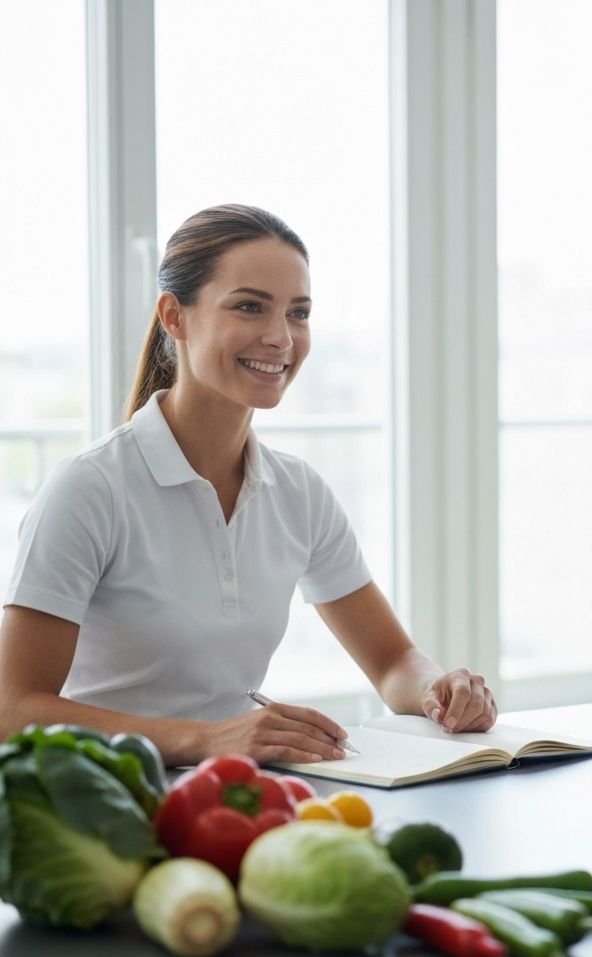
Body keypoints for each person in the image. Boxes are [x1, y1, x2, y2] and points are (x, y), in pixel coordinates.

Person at [0, 204, 496, 766]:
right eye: (249, 307)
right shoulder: (91, 488)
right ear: (174, 316)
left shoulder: (298, 492)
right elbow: (13, 710)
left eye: (299, 312)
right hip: (109, 799)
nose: (281, 338)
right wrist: (207, 738)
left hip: (233, 795)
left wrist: (437, 690)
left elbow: (392, 661)